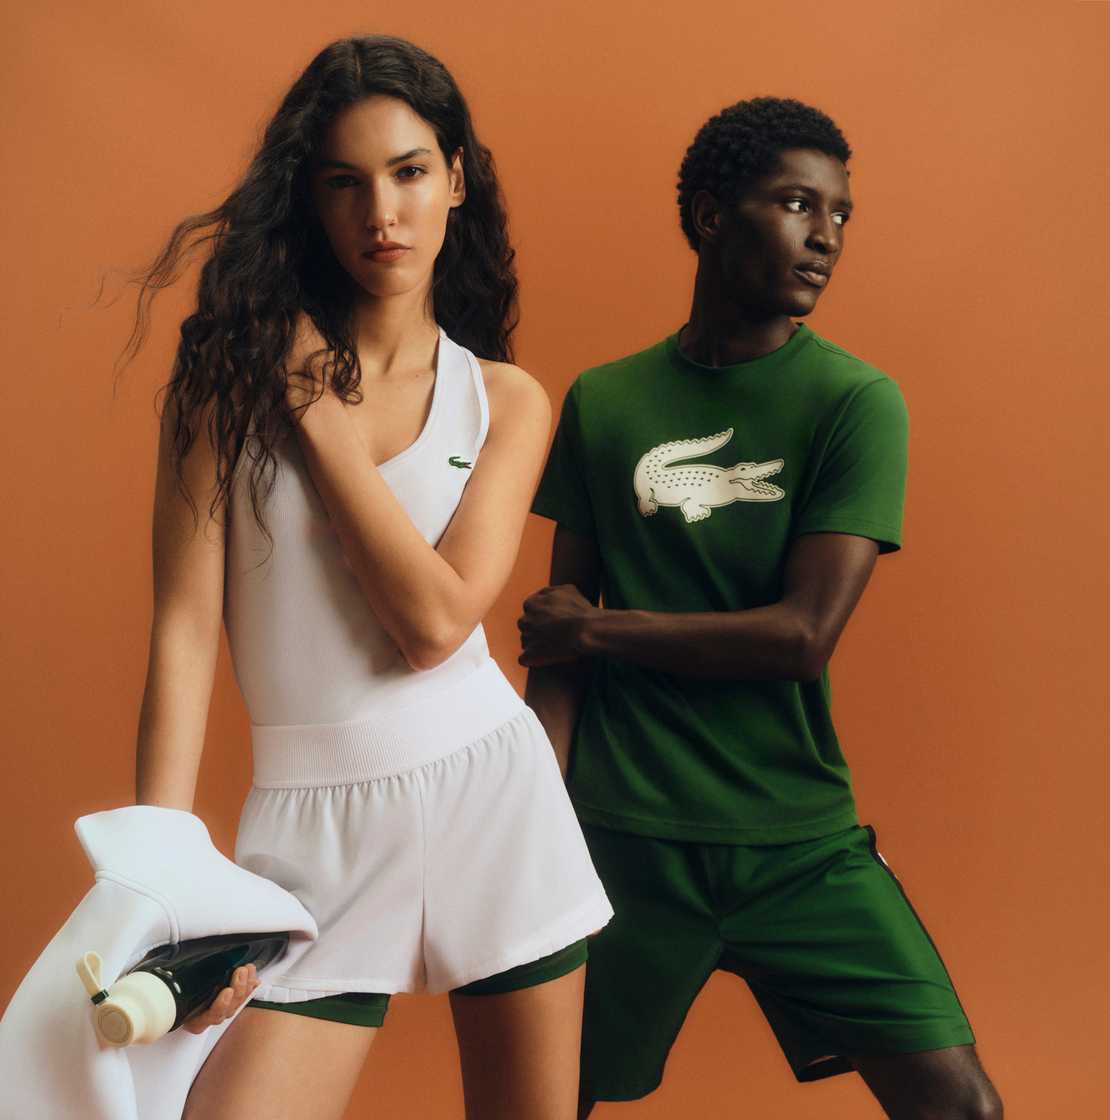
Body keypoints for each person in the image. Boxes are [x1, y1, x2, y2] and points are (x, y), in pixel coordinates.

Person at [126, 33, 612, 1120]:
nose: (381, 213)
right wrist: (158, 878)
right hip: (309, 830)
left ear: (456, 179)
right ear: (309, 199)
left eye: (408, 172)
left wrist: (318, 416)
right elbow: (184, 633)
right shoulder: (221, 393)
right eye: (345, 182)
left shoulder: (505, 401)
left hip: (492, 801)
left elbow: (436, 624)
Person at [520, 97, 1003, 1119]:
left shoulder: (853, 402)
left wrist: (598, 630)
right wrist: (529, 816)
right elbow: (554, 651)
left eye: (840, 214)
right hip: (623, 839)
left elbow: (799, 636)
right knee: (544, 1101)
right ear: (711, 215)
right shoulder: (605, 401)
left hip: (797, 843)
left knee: (960, 1106)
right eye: (796, 204)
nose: (826, 236)